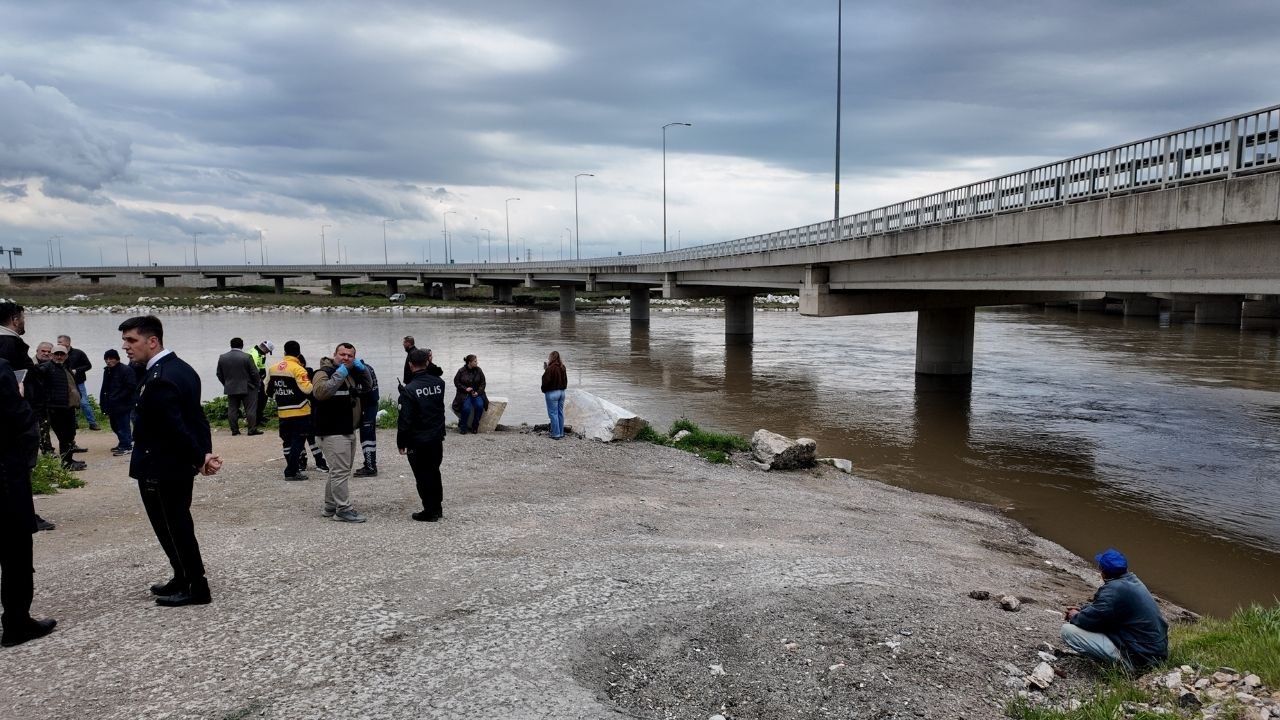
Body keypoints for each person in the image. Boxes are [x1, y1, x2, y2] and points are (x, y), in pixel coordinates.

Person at [119, 315, 220, 607]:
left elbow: (174, 426)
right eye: (125, 340)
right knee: (173, 523)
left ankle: (197, 586)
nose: (126, 347)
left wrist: (199, 457)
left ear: (152, 341)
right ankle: (182, 576)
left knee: (173, 525)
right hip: (173, 464)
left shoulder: (160, 377)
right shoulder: (181, 368)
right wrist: (203, 455)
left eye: (131, 340)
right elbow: (196, 417)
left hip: (161, 466)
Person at [0, 357, 56, 647]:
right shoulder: (0, 369)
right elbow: (20, 419)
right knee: (16, 552)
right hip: (5, 475)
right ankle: (16, 622)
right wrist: (20, 397)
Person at [1061, 548, 1169, 672]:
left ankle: (1126, 667)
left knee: (1067, 631)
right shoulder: (1132, 581)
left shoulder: (1113, 591)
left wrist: (1074, 615)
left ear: (1103, 571)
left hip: (1140, 659)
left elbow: (1088, 621)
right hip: (1154, 653)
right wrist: (1083, 609)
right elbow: (1104, 610)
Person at [311, 343, 370, 522]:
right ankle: (343, 509)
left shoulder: (352, 374)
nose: (345, 358)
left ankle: (330, 505)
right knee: (340, 471)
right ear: (334, 355)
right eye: (342, 354)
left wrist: (363, 369)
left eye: (350, 356)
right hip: (332, 430)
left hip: (347, 429)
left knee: (339, 471)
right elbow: (321, 393)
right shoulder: (322, 373)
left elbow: (367, 387)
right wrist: (341, 372)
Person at [397, 348, 447, 521]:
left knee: (422, 475)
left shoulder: (409, 390)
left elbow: (405, 420)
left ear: (410, 365)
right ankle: (437, 507)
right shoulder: (439, 383)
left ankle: (429, 510)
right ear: (427, 362)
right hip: (436, 436)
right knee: (434, 472)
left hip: (418, 440)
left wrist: (401, 442)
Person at [267, 341, 313, 480]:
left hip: (283, 412)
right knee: (298, 442)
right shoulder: (299, 369)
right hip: (300, 411)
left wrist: (281, 396)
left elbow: (267, 391)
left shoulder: (273, 368)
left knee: (286, 441)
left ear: (284, 352)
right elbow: (307, 389)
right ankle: (292, 471)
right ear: (298, 353)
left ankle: (291, 468)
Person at [47, 345, 86, 471]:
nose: (59, 357)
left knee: (69, 435)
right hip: (56, 408)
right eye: (56, 354)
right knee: (64, 436)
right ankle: (67, 464)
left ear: (66, 356)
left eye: (62, 354)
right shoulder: (46, 368)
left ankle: (69, 461)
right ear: (51, 355)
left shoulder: (66, 368)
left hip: (68, 407)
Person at [215, 337, 261, 436]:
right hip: (248, 387)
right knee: (250, 409)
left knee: (232, 409)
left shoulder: (223, 357)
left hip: (231, 387)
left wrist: (226, 383)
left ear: (230, 345)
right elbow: (254, 373)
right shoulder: (247, 357)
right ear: (242, 345)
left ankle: (234, 430)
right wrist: (257, 385)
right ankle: (251, 429)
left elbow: (219, 373)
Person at [99, 349, 138, 456]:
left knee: (123, 426)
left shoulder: (126, 370)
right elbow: (104, 388)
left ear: (117, 359)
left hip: (123, 404)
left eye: (111, 358)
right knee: (115, 425)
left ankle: (127, 446)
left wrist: (118, 397)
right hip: (111, 404)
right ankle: (123, 443)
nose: (108, 361)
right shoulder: (107, 371)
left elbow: (131, 387)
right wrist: (103, 402)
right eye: (106, 359)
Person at [57, 334, 99, 431]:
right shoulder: (58, 353)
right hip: (64, 384)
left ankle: (92, 423)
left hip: (78, 383)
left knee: (84, 403)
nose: (58, 344)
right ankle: (73, 423)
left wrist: (77, 370)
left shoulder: (78, 353)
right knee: (69, 404)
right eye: (58, 342)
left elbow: (88, 365)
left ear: (67, 343)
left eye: (60, 342)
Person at [354, 359, 380, 477]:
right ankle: (369, 464)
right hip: (372, 404)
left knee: (367, 435)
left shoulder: (360, 370)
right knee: (368, 435)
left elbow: (365, 388)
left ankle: (370, 467)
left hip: (368, 405)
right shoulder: (367, 367)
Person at [452, 354, 487, 434]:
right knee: (466, 408)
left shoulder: (479, 370)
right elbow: (456, 382)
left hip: (477, 393)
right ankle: (463, 427)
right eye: (475, 361)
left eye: (476, 361)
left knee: (479, 406)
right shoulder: (461, 371)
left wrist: (478, 392)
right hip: (464, 394)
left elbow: (483, 383)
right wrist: (465, 389)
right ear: (469, 362)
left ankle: (475, 427)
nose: (477, 363)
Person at [247, 340, 274, 433]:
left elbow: (261, 368)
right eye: (268, 351)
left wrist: (262, 377)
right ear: (265, 348)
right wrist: (258, 381)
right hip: (252, 380)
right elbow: (252, 370)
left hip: (257, 379)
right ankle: (256, 419)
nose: (267, 353)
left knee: (263, 396)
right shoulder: (255, 355)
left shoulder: (259, 353)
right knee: (260, 398)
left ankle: (259, 416)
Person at [541, 350, 568, 439]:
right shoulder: (562, 367)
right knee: (560, 413)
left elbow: (546, 381)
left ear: (551, 358)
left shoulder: (550, 368)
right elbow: (565, 381)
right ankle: (561, 433)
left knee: (553, 413)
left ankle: (555, 434)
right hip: (562, 392)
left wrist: (544, 390)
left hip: (552, 393)